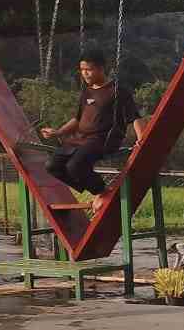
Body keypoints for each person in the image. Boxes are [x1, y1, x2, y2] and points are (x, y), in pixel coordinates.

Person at [40, 53, 145, 215]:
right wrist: (58, 132)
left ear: (101, 69)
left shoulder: (117, 91)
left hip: (103, 140)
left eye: (89, 69)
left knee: (75, 166)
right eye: (82, 70)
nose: (85, 73)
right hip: (79, 139)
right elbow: (77, 119)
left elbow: (134, 117)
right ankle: (96, 189)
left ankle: (102, 192)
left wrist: (141, 138)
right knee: (52, 166)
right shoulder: (87, 92)